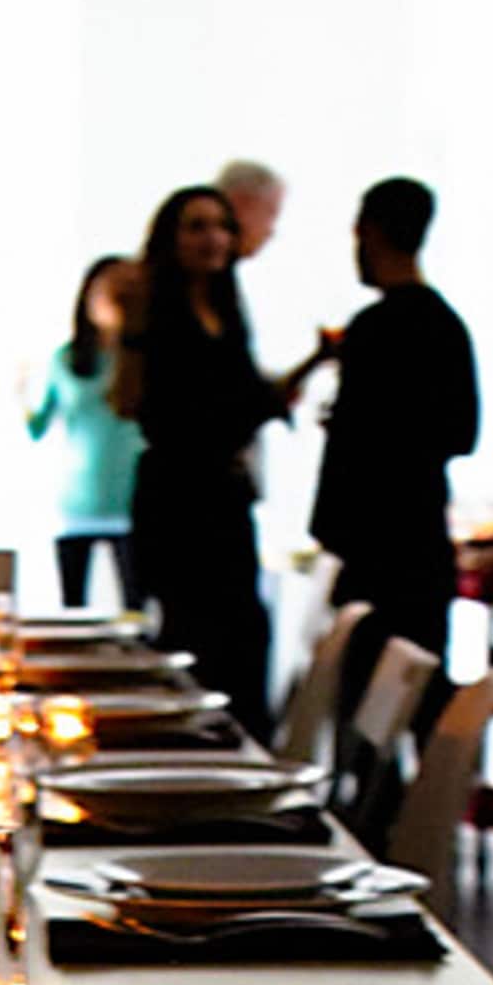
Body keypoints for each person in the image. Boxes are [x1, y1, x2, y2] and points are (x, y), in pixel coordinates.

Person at [119, 183, 323, 733]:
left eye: (221, 227)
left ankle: (241, 749)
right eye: (197, 227)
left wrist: (313, 362)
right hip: (176, 495)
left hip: (225, 495)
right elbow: (131, 403)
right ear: (171, 239)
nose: (213, 238)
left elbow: (250, 400)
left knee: (244, 634)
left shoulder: (229, 311)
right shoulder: (153, 311)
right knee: (191, 632)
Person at [308, 175, 483, 718]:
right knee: (417, 704)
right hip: (423, 543)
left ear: (369, 231)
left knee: (361, 710)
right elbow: (462, 432)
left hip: (372, 548)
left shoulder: (371, 329)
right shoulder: (447, 327)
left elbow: (353, 448)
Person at [24, 254, 144, 605]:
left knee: (136, 604)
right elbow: (38, 426)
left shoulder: (142, 360)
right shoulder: (64, 360)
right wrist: (21, 394)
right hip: (78, 497)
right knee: (72, 606)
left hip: (132, 495)